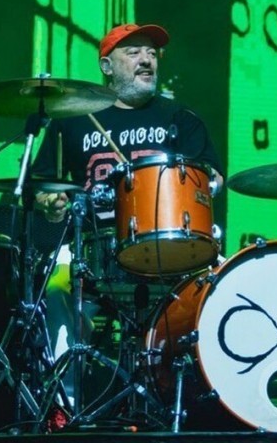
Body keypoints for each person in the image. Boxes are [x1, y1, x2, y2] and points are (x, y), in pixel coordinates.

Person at [27, 23, 225, 366]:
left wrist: (207, 183)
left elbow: (213, 176)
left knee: (225, 285)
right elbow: (42, 183)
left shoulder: (180, 117)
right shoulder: (73, 118)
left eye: (152, 53)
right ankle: (65, 392)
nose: (146, 60)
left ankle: (198, 386)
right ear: (107, 66)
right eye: (133, 53)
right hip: (92, 246)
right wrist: (49, 201)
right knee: (55, 288)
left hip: (169, 244)